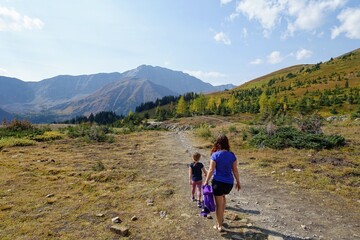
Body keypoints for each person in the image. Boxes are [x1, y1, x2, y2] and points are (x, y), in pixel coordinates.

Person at [204, 134, 241, 232]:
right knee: (223, 197)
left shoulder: (215, 155)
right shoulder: (232, 155)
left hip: (218, 183)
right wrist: (238, 182)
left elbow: (211, 170)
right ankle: (221, 217)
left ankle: (219, 225)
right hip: (229, 184)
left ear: (218, 143)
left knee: (218, 205)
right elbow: (235, 170)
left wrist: (206, 181)